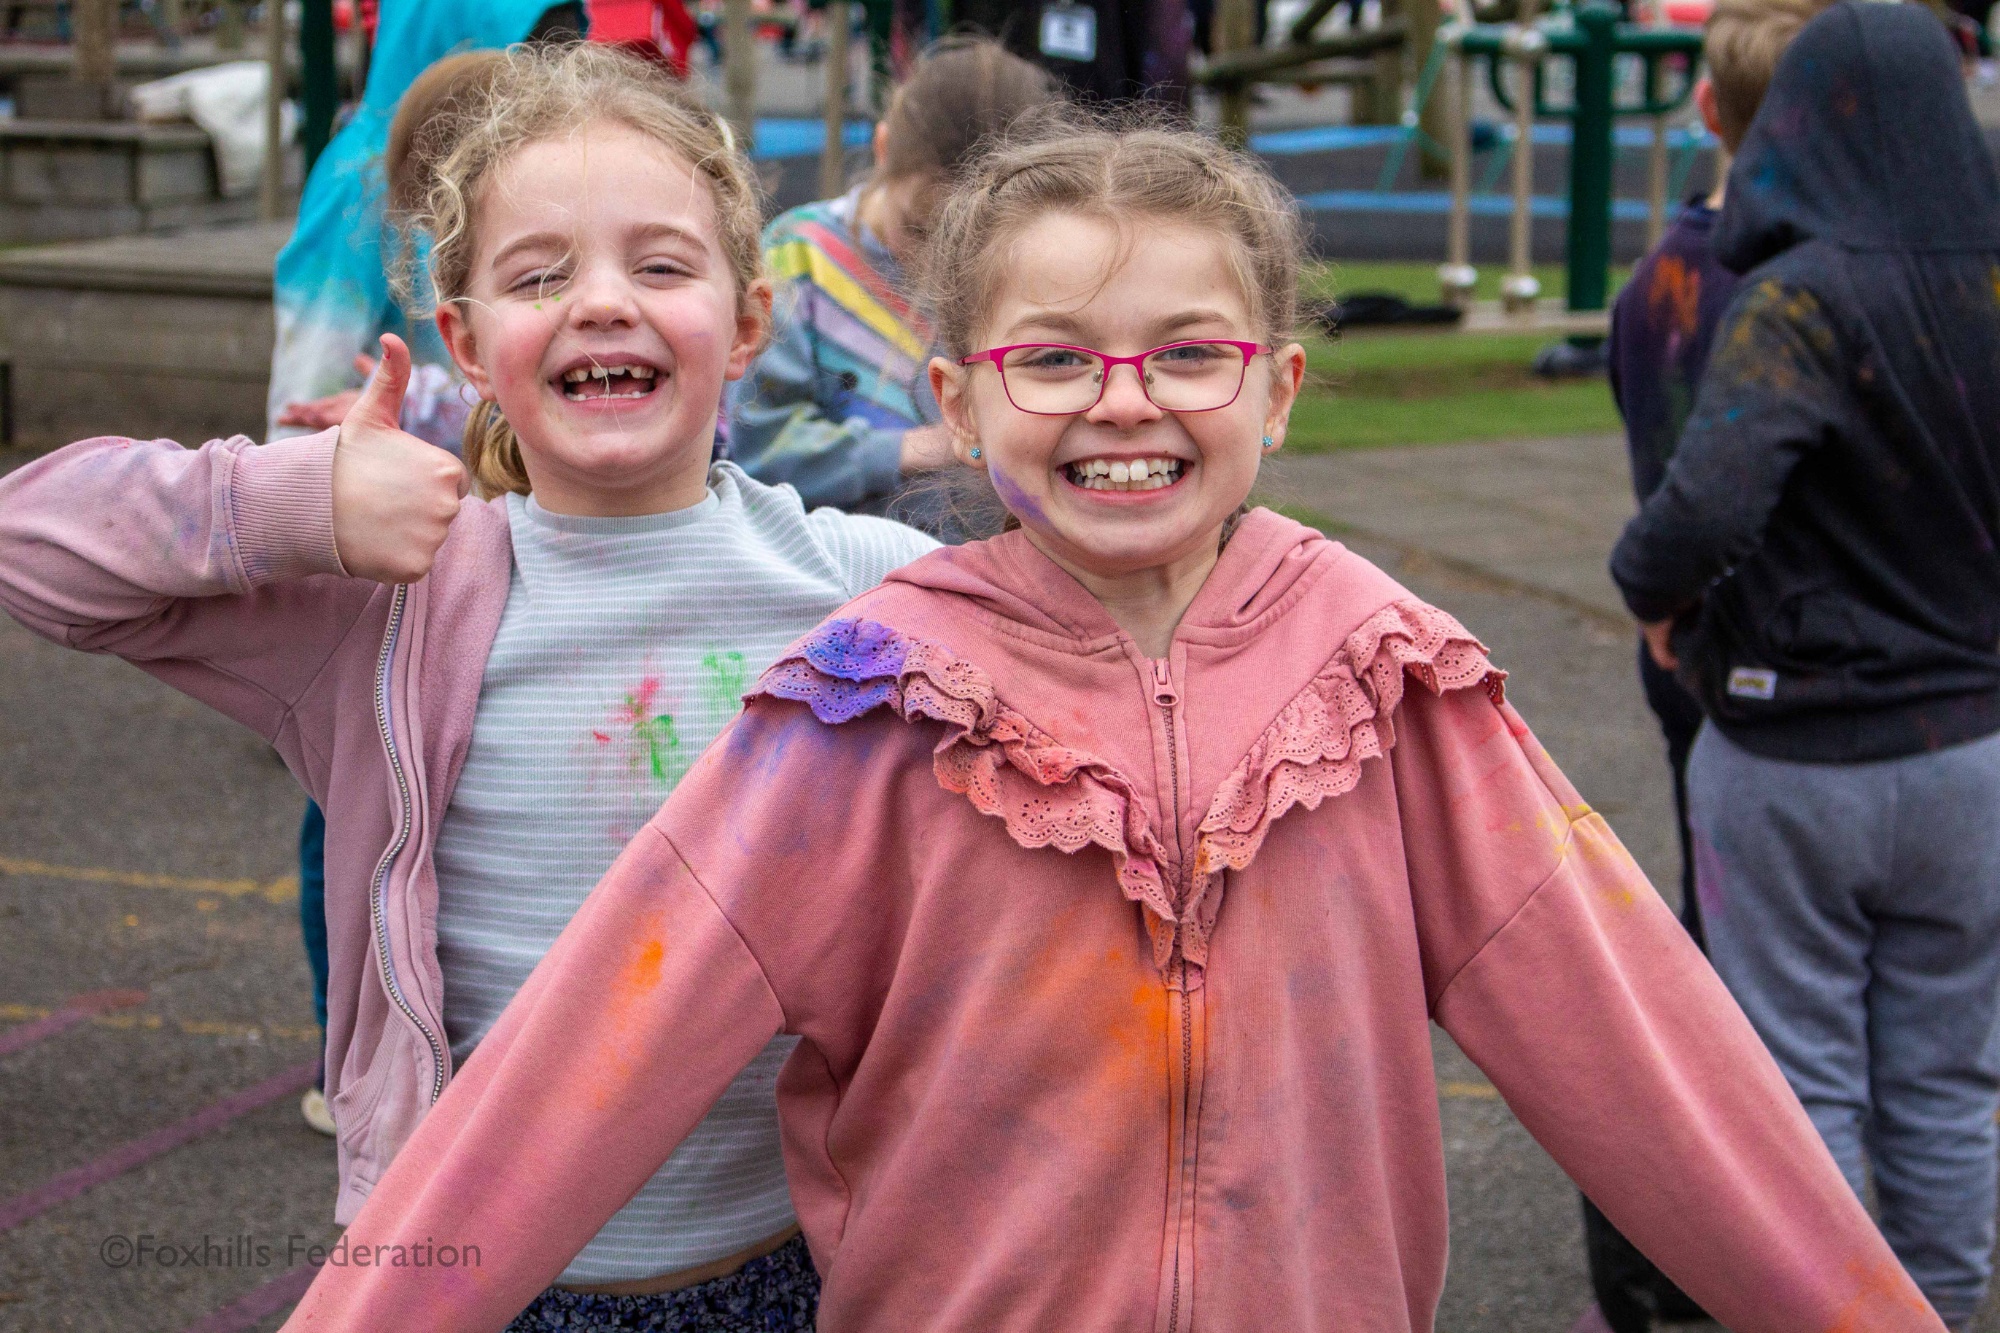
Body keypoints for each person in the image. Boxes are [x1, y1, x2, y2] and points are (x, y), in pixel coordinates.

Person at [275, 107, 1940, 1333]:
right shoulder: (864, 702)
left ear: (1278, 385)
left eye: (1187, 354)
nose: (1124, 402)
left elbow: (1655, 1058)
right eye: (1053, 357)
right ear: (961, 398)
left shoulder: (1388, 678)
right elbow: (565, 1078)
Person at [0, 43, 936, 1332]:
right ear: (468, 341)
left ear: (748, 322)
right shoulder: (400, 604)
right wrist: (292, 500)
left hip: (793, 1268)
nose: (602, 302)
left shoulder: (873, 592)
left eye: (660, 265)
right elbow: (35, 551)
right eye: (539, 275)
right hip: (479, 1286)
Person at [1611, 6, 2000, 1327]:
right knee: (1952, 1077)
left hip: (1795, 750)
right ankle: (1938, 1305)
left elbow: (1702, 507)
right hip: (1975, 753)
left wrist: (1656, 601)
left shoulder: (1803, 295)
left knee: (1798, 1074)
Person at [1585, 0, 1825, 1323]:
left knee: (1727, 942)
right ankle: (1699, 1254)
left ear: (1703, 111)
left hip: (1686, 648)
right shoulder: (1804, 289)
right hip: (1778, 663)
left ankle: (1667, 1259)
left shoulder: (1660, 283)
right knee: (1757, 982)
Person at [726, 38, 1058, 523]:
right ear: (882, 150)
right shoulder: (800, 254)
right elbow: (753, 444)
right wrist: (919, 448)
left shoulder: (1027, 268)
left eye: (973, 241)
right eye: (922, 229)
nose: (941, 263)